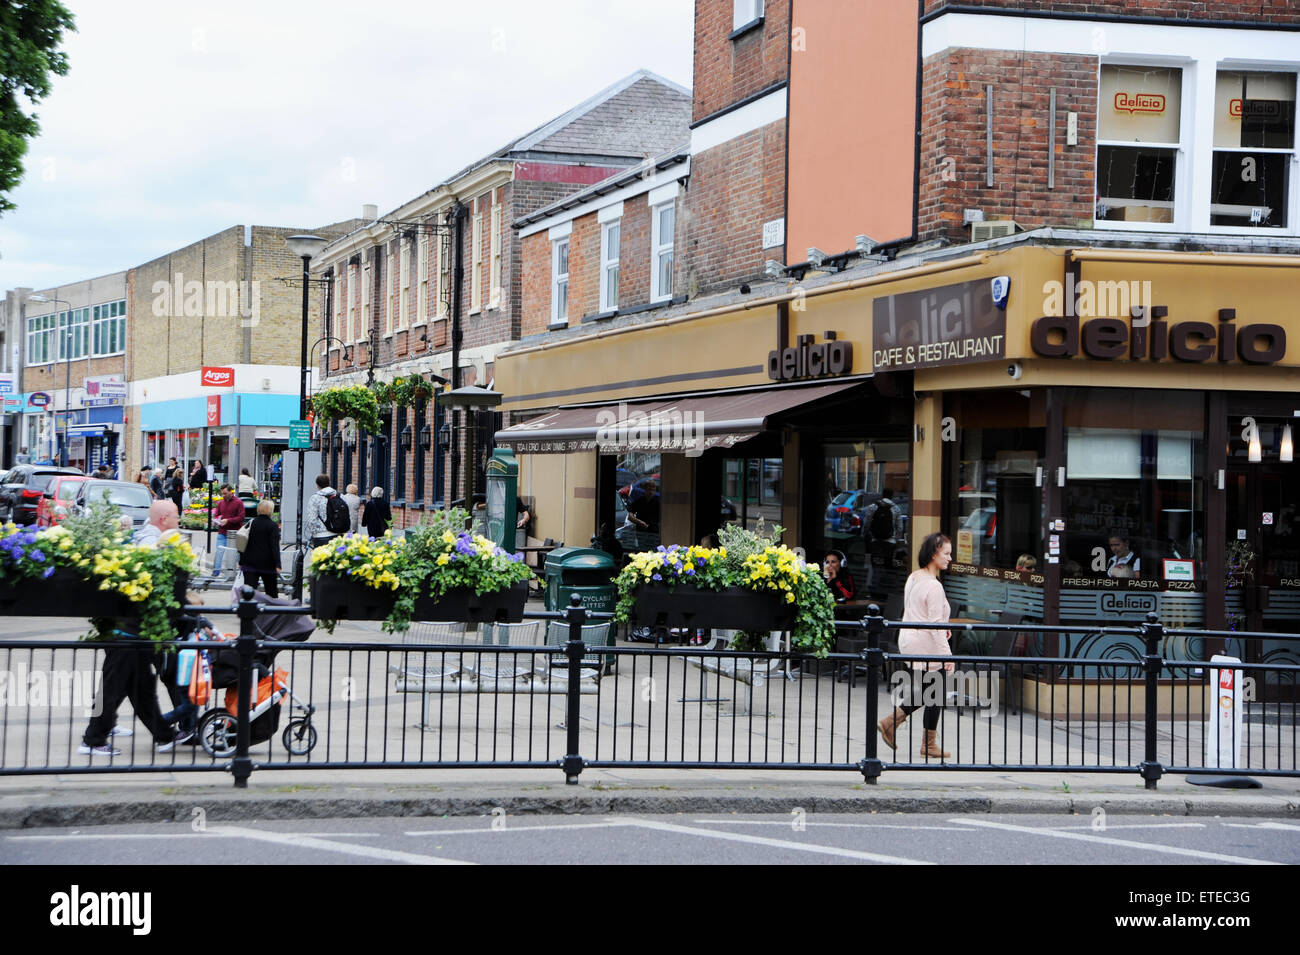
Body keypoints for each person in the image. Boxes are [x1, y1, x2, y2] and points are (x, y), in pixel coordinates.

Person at [80, 501, 191, 755]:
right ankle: (93, 740)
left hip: (134, 631)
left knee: (141, 687)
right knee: (113, 687)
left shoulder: (151, 538)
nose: (179, 520)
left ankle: (164, 736)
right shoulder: (152, 543)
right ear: (164, 518)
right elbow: (150, 584)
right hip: (128, 630)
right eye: (176, 516)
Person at [878, 532, 954, 760]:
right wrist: (947, 655)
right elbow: (934, 625)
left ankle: (919, 738)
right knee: (934, 691)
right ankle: (895, 723)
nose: (950, 558)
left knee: (930, 691)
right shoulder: (934, 586)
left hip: (909, 639)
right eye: (947, 554)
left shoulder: (914, 577)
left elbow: (917, 611)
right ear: (933, 554)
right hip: (926, 641)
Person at [240, 499, 282, 597]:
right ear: (270, 510)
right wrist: (278, 564)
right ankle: (272, 611)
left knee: (248, 592)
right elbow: (274, 546)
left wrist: (241, 561)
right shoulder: (273, 526)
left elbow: (242, 542)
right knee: (271, 592)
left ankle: (248, 611)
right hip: (267, 563)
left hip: (249, 562)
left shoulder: (250, 523)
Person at [306, 473, 341, 547]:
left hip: (321, 535)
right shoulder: (340, 496)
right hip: (338, 534)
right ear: (329, 483)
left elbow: (312, 518)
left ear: (317, 485)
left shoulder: (315, 498)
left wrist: (313, 533)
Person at [213, 483, 245, 555]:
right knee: (219, 553)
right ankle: (217, 566)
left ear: (231, 492)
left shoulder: (238, 502)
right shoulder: (221, 503)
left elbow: (241, 517)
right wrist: (216, 520)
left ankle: (231, 566)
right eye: (222, 494)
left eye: (225, 493)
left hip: (234, 532)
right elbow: (217, 515)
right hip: (222, 532)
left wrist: (228, 520)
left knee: (233, 556)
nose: (223, 495)